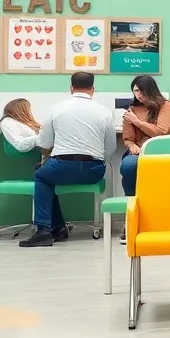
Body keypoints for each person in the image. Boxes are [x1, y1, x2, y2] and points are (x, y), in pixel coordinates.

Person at [20, 72, 116, 247]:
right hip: (93, 171)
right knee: (45, 175)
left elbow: (45, 143)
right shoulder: (105, 112)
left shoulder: (55, 109)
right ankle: (58, 228)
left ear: (71, 88)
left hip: (61, 167)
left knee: (42, 176)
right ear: (93, 89)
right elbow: (110, 148)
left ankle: (44, 230)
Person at [120, 74, 170, 195]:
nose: (139, 95)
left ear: (151, 90)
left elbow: (160, 132)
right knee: (128, 165)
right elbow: (128, 138)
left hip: (164, 150)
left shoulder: (165, 105)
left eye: (142, 90)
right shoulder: (132, 109)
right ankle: (131, 199)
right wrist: (131, 145)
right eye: (136, 91)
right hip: (140, 150)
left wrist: (136, 121)